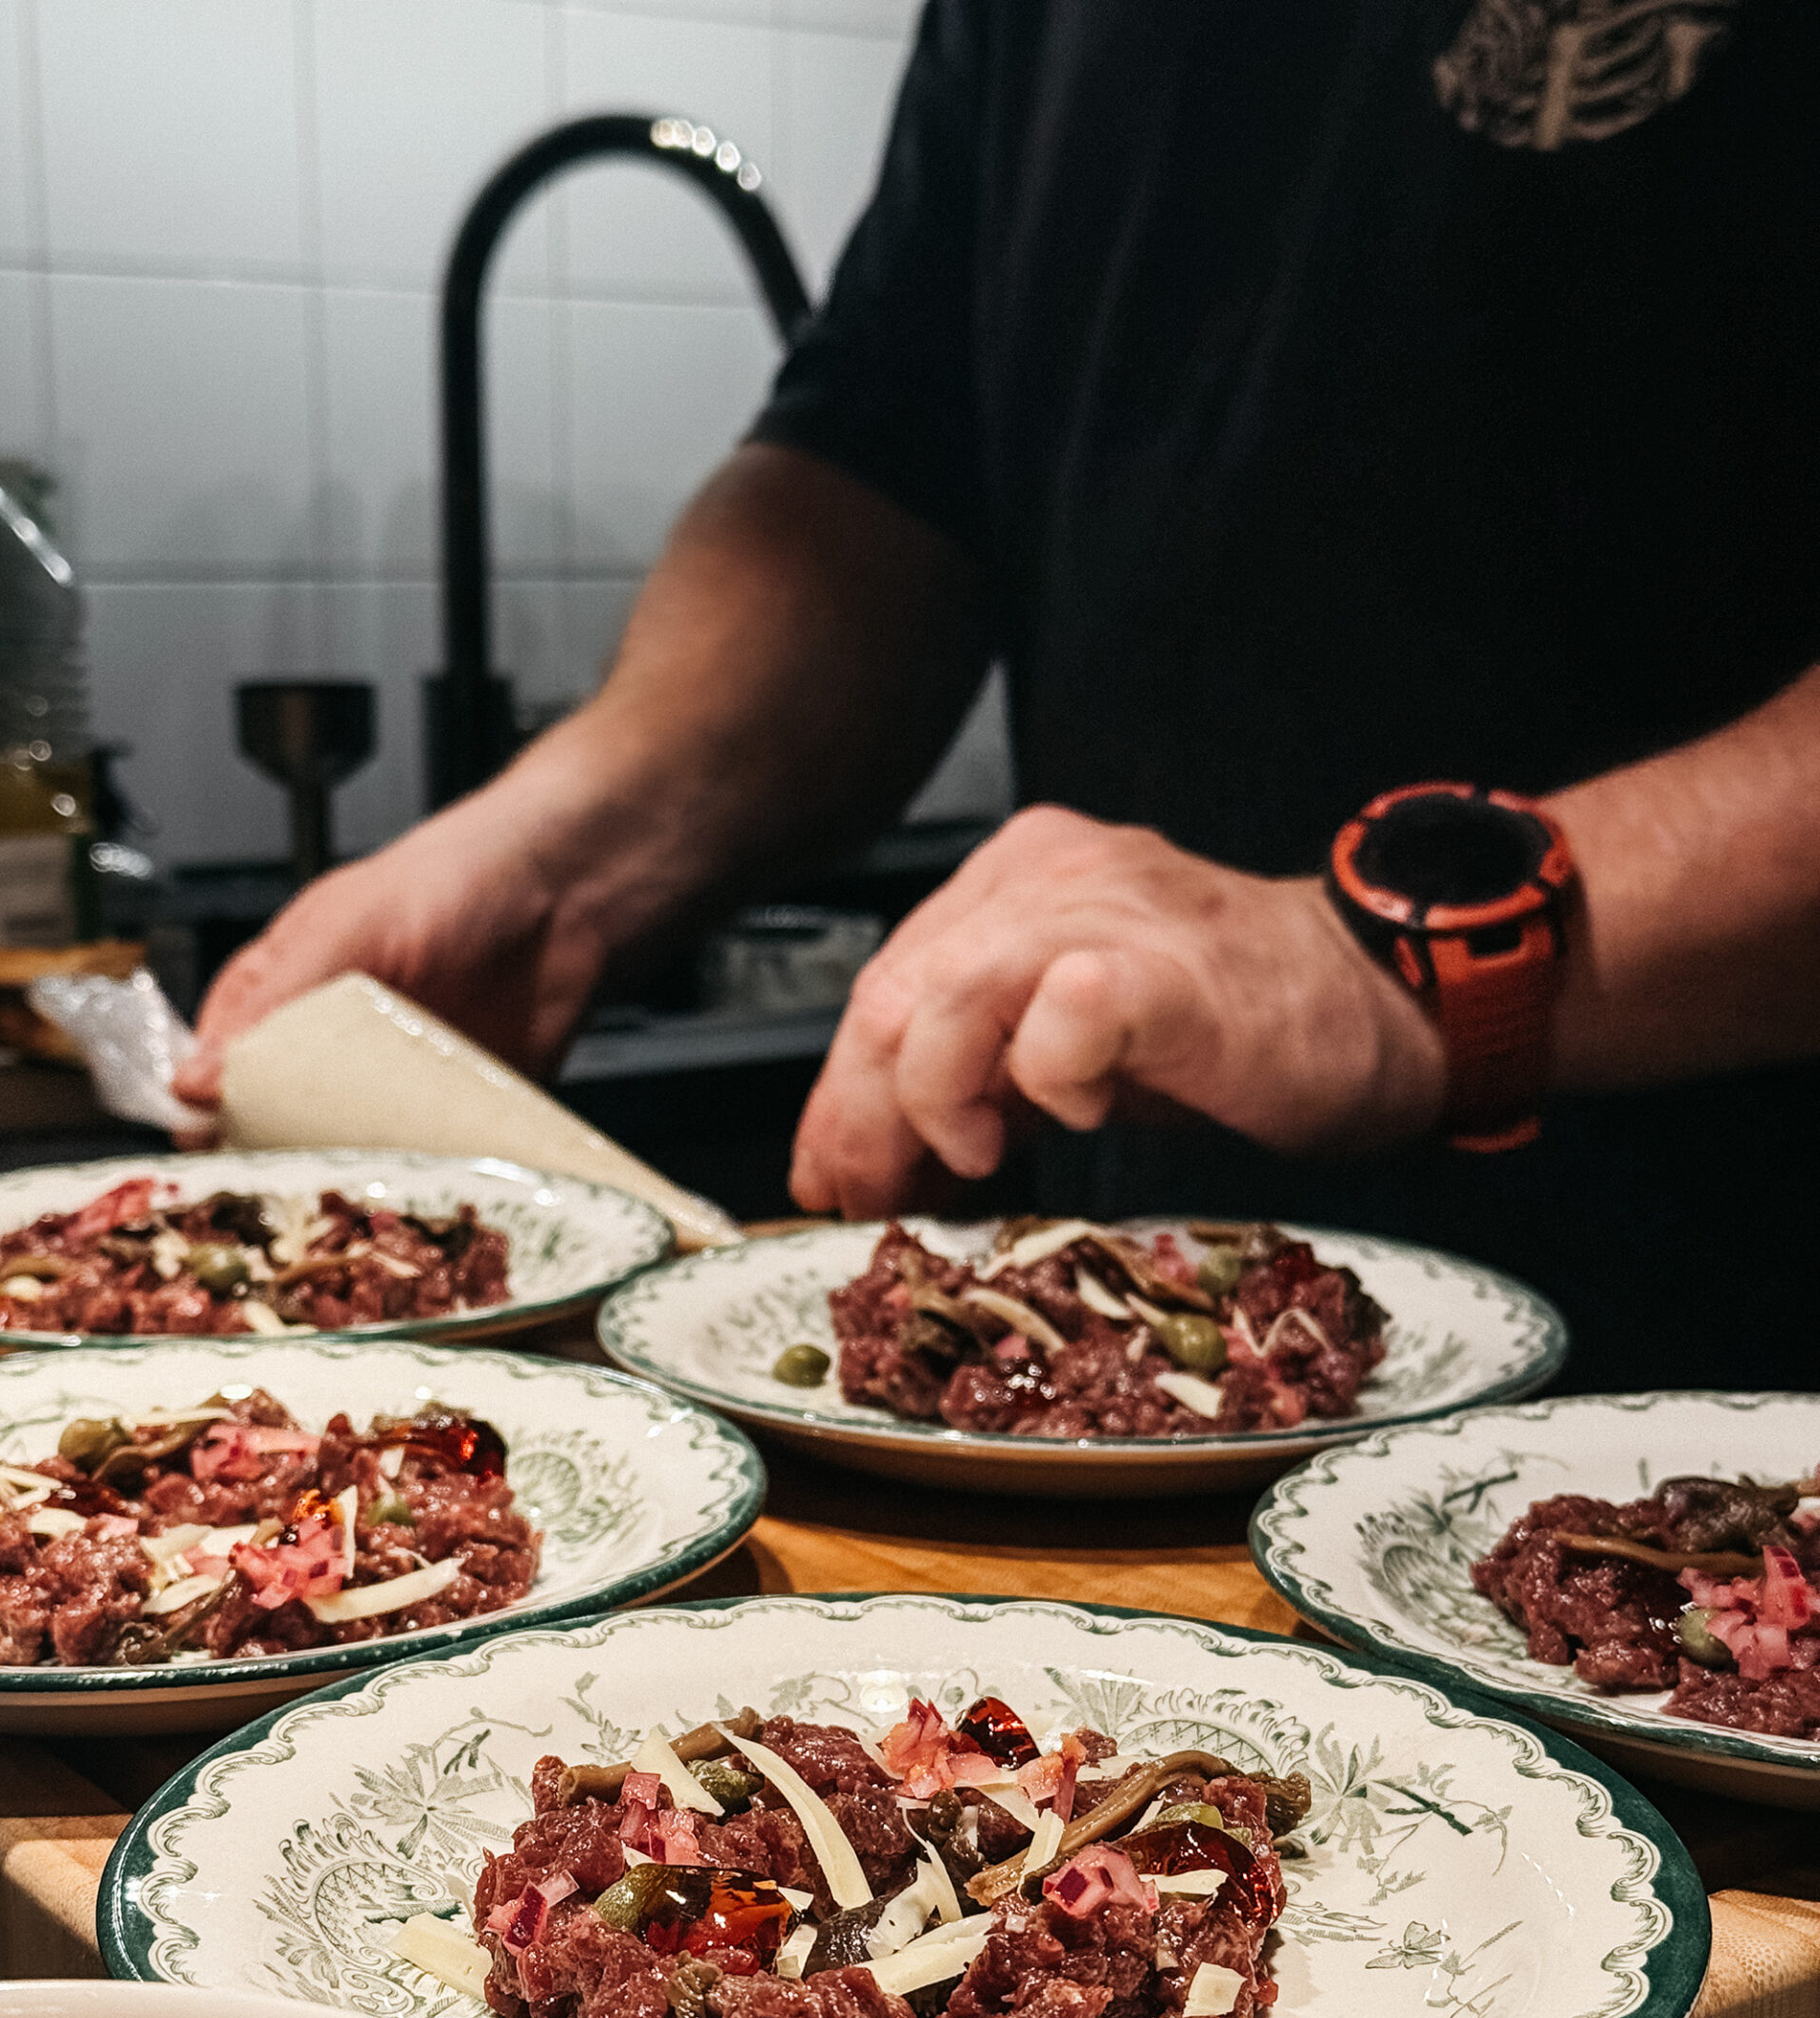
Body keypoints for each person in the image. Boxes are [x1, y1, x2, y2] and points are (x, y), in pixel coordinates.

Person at [179, 1, 1820, 1391]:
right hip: (1153, 1329)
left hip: (1730, 1354)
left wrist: (1384, 967)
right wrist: (557, 860)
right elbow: (886, 474)